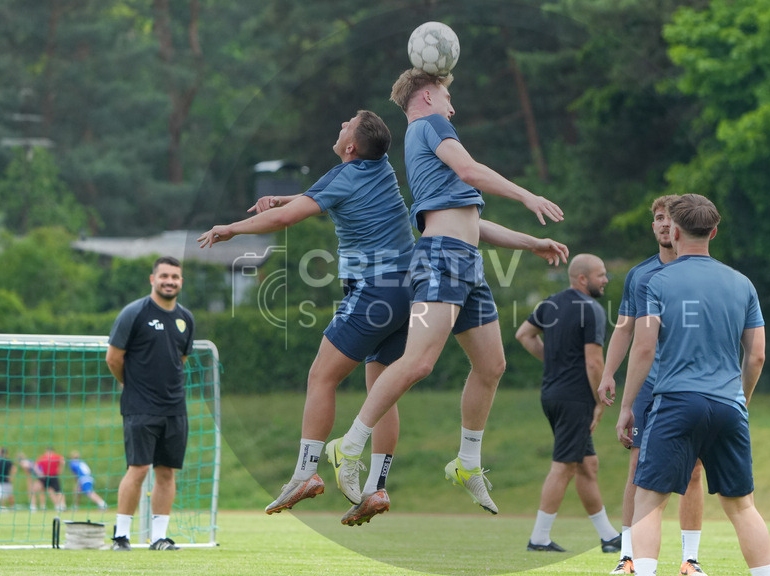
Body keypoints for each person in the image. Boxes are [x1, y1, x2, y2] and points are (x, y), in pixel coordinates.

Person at [199, 110, 567, 525]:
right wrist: (288, 199)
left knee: (322, 376)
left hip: (375, 289)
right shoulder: (383, 170)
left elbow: (288, 218)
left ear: (351, 147)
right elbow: (322, 198)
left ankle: (305, 473)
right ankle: (376, 485)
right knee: (383, 385)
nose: (340, 124)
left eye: (346, 125)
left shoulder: (344, 175)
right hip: (410, 290)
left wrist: (232, 228)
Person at [328, 68, 565, 516]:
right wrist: (527, 196)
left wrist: (531, 242)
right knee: (419, 362)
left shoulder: (426, 144)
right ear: (426, 96)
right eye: (446, 96)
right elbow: (471, 171)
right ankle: (350, 444)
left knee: (492, 365)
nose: (452, 108)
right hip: (441, 259)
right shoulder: (431, 125)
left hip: (465, 261)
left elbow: (471, 222)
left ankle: (466, 463)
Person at [615, 194, 770, 576]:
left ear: (675, 232)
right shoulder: (742, 283)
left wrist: (628, 406)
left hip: (676, 403)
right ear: (713, 232)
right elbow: (756, 356)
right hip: (729, 405)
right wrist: (741, 399)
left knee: (649, 501)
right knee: (743, 507)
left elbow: (644, 348)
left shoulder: (658, 281)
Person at [596, 195, 708, 576]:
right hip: (650, 385)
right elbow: (624, 330)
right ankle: (627, 556)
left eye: (669, 218)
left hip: (692, 384)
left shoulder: (702, 273)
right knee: (638, 466)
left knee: (694, 470)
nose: (663, 224)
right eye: (658, 217)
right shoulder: (640, 275)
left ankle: (690, 559)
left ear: (681, 226)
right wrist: (608, 373)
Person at [515, 254, 621, 554]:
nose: (606, 279)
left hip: (552, 394)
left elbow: (524, 334)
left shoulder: (550, 303)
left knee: (587, 465)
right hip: (575, 398)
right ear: (583, 279)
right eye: (601, 274)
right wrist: (600, 400)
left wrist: (554, 362)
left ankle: (609, 537)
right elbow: (594, 362)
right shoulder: (592, 310)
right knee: (563, 466)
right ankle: (539, 539)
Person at [106, 255, 195, 551]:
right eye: (164, 276)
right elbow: (113, 358)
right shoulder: (134, 313)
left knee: (167, 471)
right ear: (153, 279)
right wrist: (130, 384)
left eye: (175, 277)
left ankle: (159, 537)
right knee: (139, 468)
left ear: (181, 281)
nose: (169, 281)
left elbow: (180, 359)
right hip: (140, 405)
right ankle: (121, 536)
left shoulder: (186, 318)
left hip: (175, 407)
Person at [35, 447, 66, 512]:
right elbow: (36, 466)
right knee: (50, 491)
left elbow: (36, 467)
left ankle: (62, 505)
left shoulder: (54, 457)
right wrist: (40, 473)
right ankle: (58, 505)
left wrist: (60, 469)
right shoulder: (44, 458)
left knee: (57, 491)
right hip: (47, 477)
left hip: (52, 476)